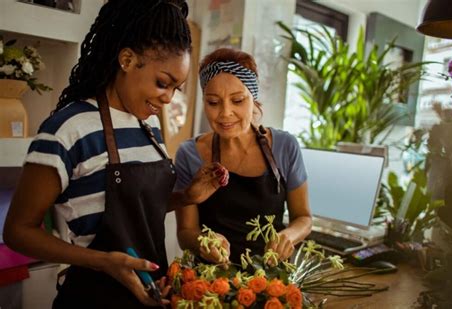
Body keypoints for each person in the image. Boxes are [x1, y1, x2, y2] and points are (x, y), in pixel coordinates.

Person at [4, 1, 228, 308]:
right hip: (92, 298)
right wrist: (101, 261)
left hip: (150, 298)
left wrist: (186, 196)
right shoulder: (69, 129)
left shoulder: (149, 127)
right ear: (127, 59)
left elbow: (134, 210)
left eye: (176, 88)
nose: (167, 98)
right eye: (162, 83)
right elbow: (18, 231)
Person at [174, 48, 312, 265]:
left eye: (237, 100)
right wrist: (203, 241)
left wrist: (288, 236)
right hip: (211, 284)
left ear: (253, 99)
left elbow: (303, 218)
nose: (225, 113)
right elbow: (185, 232)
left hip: (271, 281)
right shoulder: (189, 154)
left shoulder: (286, 146)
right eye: (213, 102)